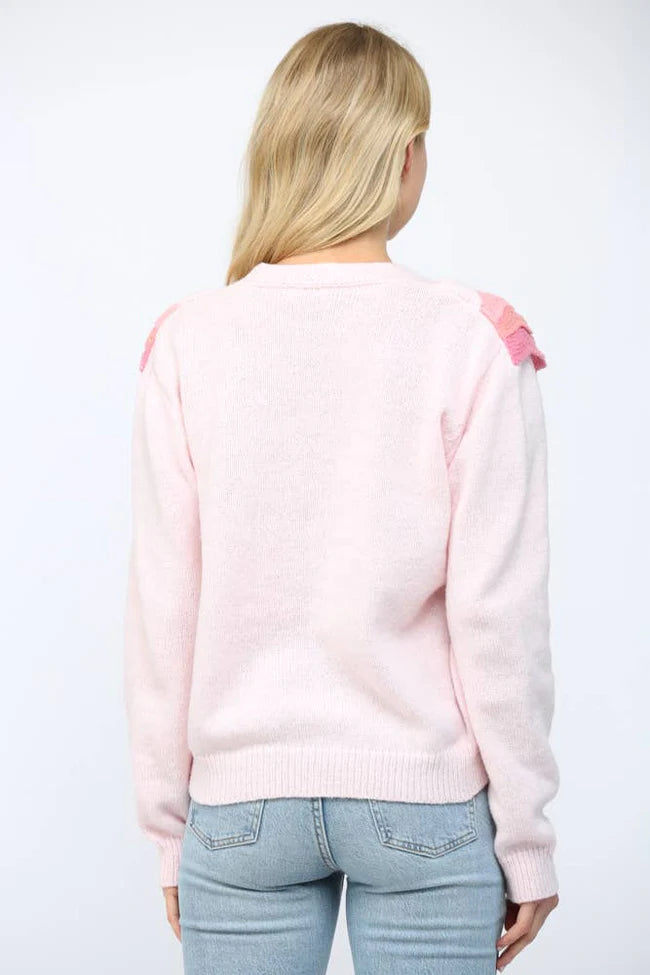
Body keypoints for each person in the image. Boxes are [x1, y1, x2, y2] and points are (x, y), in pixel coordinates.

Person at [123, 20, 560, 975]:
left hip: (239, 808)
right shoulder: (475, 338)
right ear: (404, 156)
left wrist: (168, 829)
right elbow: (499, 618)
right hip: (422, 800)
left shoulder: (188, 341)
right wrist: (526, 835)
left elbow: (164, 611)